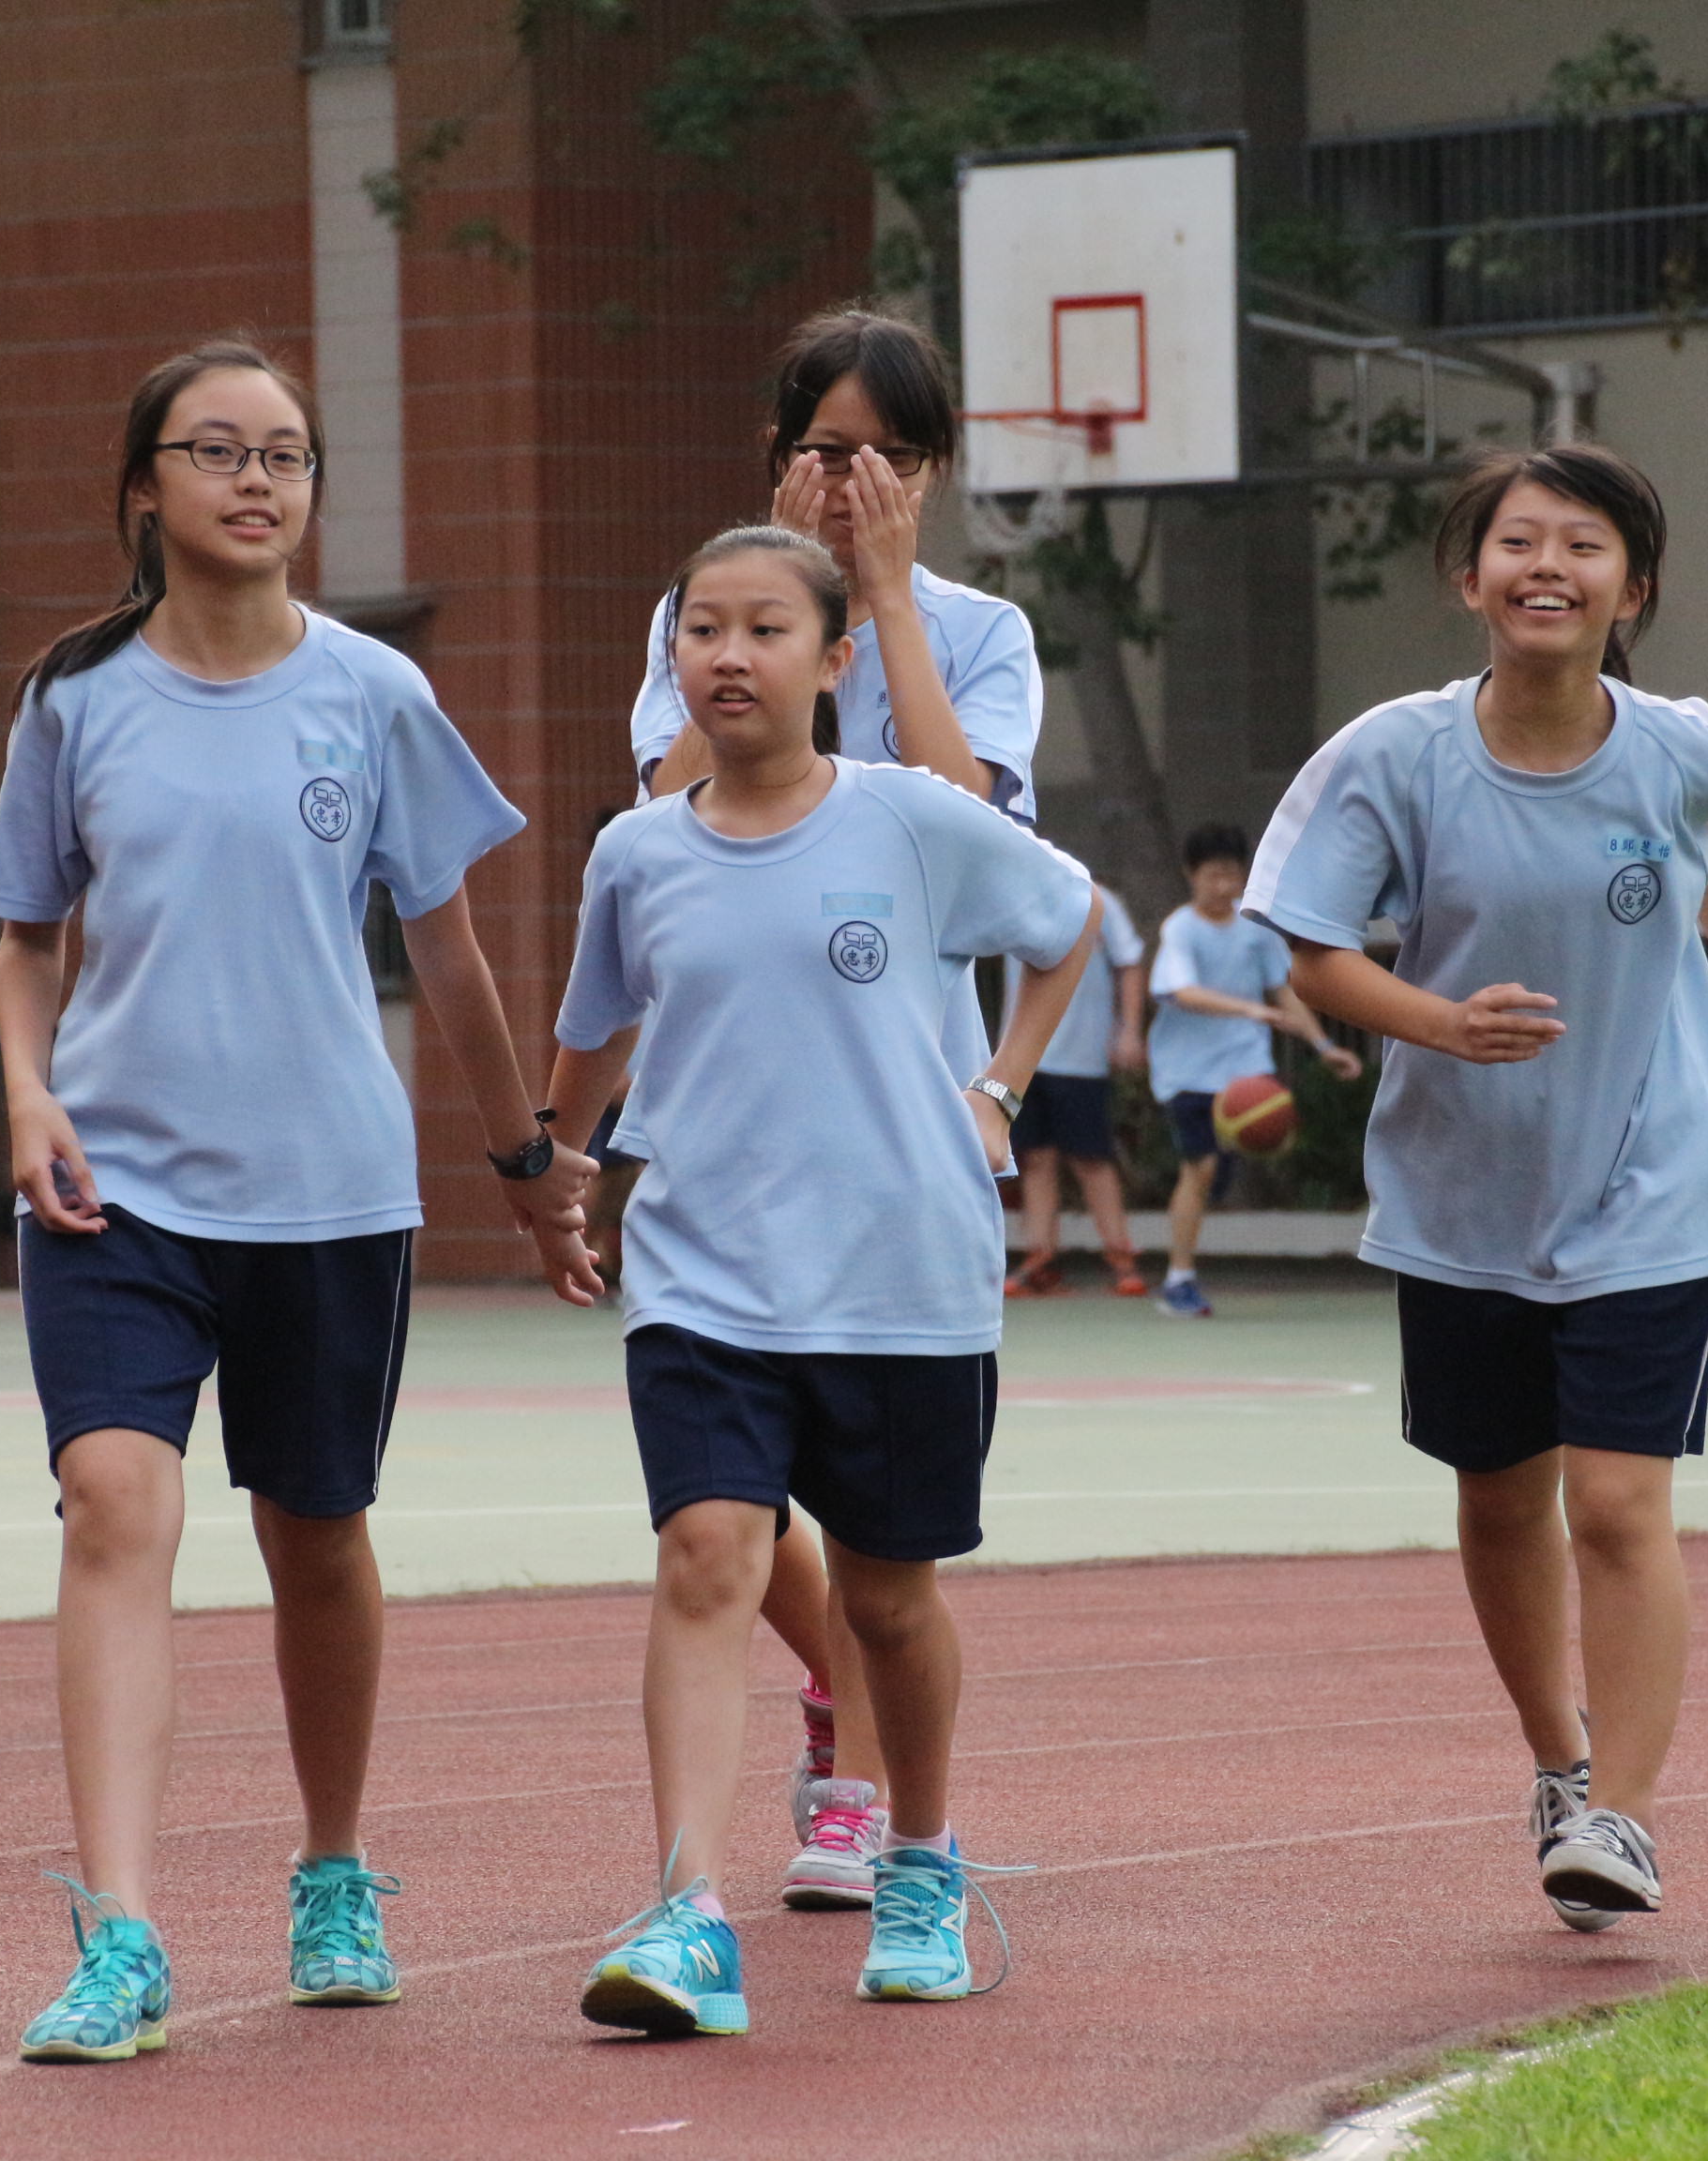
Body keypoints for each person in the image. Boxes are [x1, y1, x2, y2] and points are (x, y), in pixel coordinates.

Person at [0, 341, 588, 2061]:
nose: (257, 480)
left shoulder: (374, 693)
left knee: (314, 1531)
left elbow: (448, 954)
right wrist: (25, 1090)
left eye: (286, 455)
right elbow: (26, 940)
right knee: (114, 1504)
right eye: (218, 450)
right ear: (141, 486)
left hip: (326, 1190)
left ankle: (333, 1867)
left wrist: (526, 1162)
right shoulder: (72, 698)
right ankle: (120, 1928)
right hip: (114, 1185)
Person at [1245, 443, 1708, 1932]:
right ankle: (1561, 1767)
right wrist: (1441, 1024)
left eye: (1584, 546)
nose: (1549, 568)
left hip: (1652, 1180)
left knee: (1621, 1504)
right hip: (1465, 1189)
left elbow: (1700, 829)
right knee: (1501, 1500)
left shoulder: (1683, 744)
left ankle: (1623, 1820)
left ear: (1632, 590)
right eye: (1520, 543)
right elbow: (1313, 952)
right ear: (1471, 578)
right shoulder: (1393, 756)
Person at [542, 523, 1097, 2034]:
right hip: (703, 1273)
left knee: (889, 1602)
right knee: (705, 1554)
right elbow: (595, 1030)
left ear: (836, 658)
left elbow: (1068, 923)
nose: (729, 655)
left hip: (901, 1272)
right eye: (702, 629)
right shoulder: (635, 852)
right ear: (672, 659)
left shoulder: (912, 819)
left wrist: (998, 1087)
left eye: (767, 629)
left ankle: (920, 1860)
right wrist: (555, 1169)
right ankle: (686, 1913)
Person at [625, 307, 1045, 1903]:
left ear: (932, 471)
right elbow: (664, 811)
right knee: (724, 1507)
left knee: (880, 1527)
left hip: (903, 1129)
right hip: (730, 1125)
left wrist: (884, 606)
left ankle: (867, 1790)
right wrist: (770, 612)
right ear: (774, 454)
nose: (854, 478)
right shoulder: (710, 619)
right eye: (823, 447)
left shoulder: (983, 634)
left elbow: (974, 828)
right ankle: (824, 1717)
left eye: (887, 453)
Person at [1146, 824, 1363, 1317]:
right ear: (1191, 875)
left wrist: (1323, 1045)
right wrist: (1249, 1010)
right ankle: (1179, 1279)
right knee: (1200, 1169)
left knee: (1222, 1169)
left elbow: (1284, 990)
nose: (1224, 885)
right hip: (1188, 1071)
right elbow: (1182, 992)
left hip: (1246, 1069)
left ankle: (1189, 1256)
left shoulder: (1256, 928)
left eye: (1232, 874)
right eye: (1214, 875)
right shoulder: (1181, 929)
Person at [1004, 882, 1150, 1298]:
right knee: (1034, 1158)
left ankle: (1121, 1258)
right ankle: (1040, 1258)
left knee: (1091, 1159)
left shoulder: (1093, 897)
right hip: (1024, 1054)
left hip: (1082, 1056)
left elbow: (1129, 961)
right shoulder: (1013, 892)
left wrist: (1129, 1029)